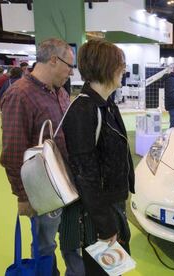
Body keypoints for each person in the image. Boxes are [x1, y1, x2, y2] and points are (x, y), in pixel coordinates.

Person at [60, 39, 135, 276]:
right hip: (94, 214)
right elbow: (85, 174)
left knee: (115, 269)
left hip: (112, 205)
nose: (124, 69)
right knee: (102, 271)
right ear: (105, 67)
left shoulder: (107, 105)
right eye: (120, 64)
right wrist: (105, 225)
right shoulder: (84, 110)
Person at [0, 38, 74, 276]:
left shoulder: (60, 91)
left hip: (67, 182)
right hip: (41, 191)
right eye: (69, 66)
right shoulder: (19, 95)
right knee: (44, 244)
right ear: (53, 60)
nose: (71, 72)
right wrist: (23, 196)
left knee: (69, 239)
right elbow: (13, 152)